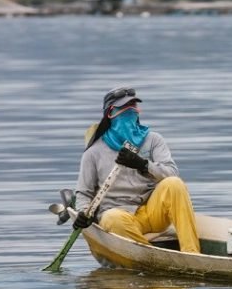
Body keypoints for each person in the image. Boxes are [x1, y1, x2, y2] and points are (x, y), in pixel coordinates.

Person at [73, 86, 200, 253]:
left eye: (133, 107)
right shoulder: (93, 152)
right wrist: (82, 213)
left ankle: (191, 252)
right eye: (124, 107)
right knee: (112, 218)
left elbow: (172, 172)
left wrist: (143, 165)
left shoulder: (153, 140)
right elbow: (84, 193)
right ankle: (153, 256)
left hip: (152, 212)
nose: (131, 110)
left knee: (174, 183)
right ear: (110, 113)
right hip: (119, 215)